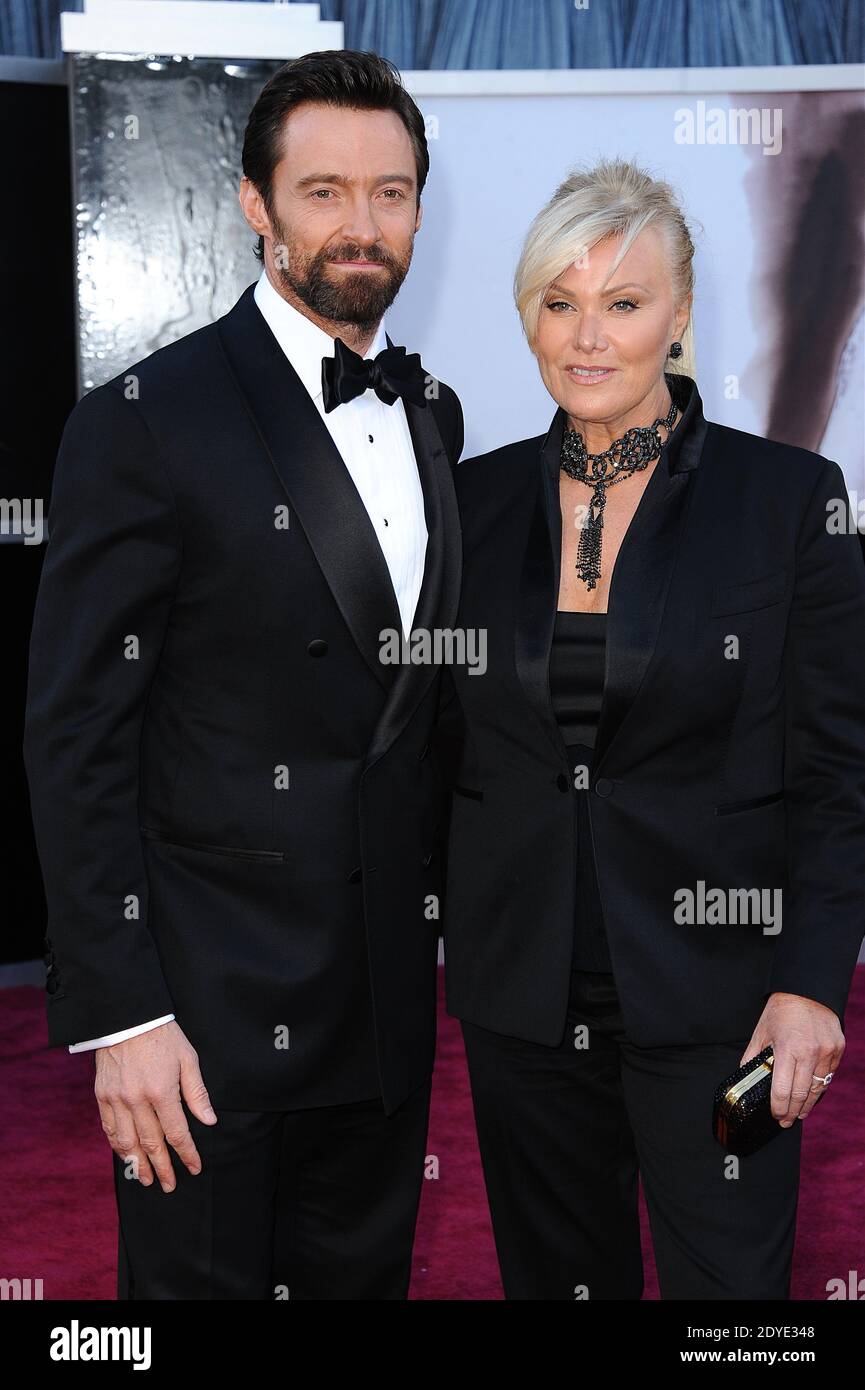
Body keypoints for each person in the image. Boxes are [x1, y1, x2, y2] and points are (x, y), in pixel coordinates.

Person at [23, 49, 463, 1300]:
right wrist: (120, 1016)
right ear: (255, 207)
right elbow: (76, 737)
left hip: (378, 1000)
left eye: (391, 192)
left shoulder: (434, 414)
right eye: (323, 191)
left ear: (422, 209)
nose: (362, 224)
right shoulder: (145, 422)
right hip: (205, 1011)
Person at [435, 157, 865, 1300]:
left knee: (731, 1302)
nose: (587, 337)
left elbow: (838, 771)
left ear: (677, 314)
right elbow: (428, 747)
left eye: (623, 304)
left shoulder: (787, 501)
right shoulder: (467, 505)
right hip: (523, 1003)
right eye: (559, 302)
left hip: (722, 1002)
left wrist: (813, 984)